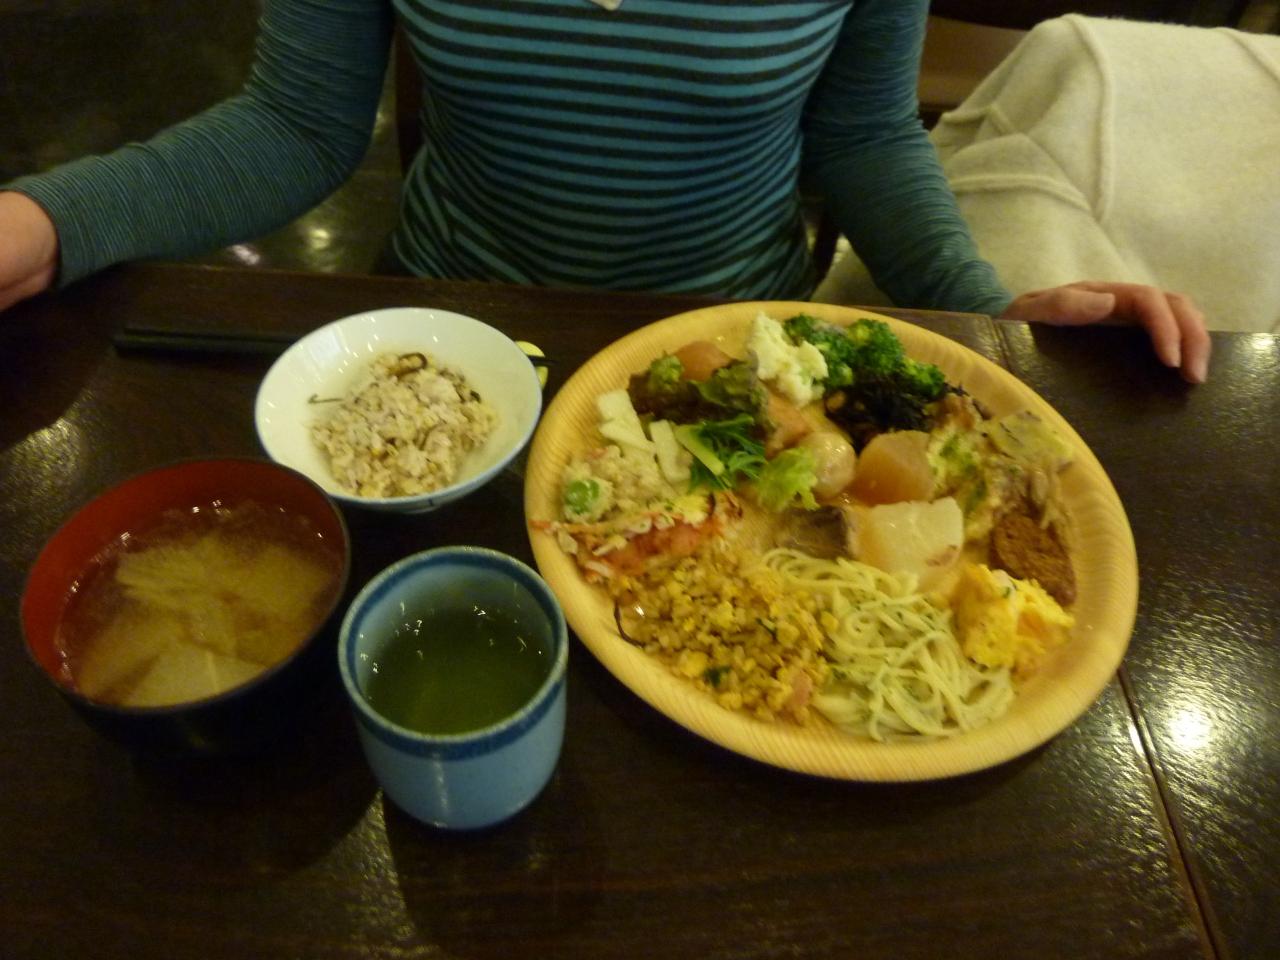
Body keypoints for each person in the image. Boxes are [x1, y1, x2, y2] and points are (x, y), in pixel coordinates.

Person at [0, 0, 1209, 382]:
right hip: (449, 333)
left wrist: (986, 315)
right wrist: (49, 223)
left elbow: (861, 134)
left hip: (729, 356)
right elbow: (295, 123)